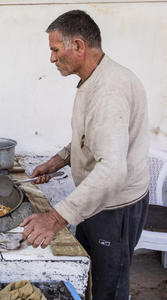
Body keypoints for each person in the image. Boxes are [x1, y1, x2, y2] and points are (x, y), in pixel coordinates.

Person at [19, 10, 150, 300]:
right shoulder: (94, 78)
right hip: (95, 200)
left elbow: (112, 170)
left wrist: (55, 218)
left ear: (78, 46)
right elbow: (91, 136)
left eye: (55, 50)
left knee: (109, 289)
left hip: (116, 207)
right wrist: (58, 160)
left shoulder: (107, 91)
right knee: (88, 277)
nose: (51, 58)